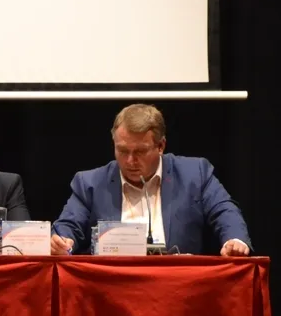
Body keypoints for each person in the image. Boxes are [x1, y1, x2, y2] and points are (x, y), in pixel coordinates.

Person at [50, 103, 251, 256]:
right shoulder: (90, 183)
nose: (130, 161)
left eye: (140, 151)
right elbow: (68, 225)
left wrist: (234, 240)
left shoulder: (194, 174)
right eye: (122, 151)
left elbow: (224, 211)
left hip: (177, 284)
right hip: (111, 285)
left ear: (161, 146)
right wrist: (63, 242)